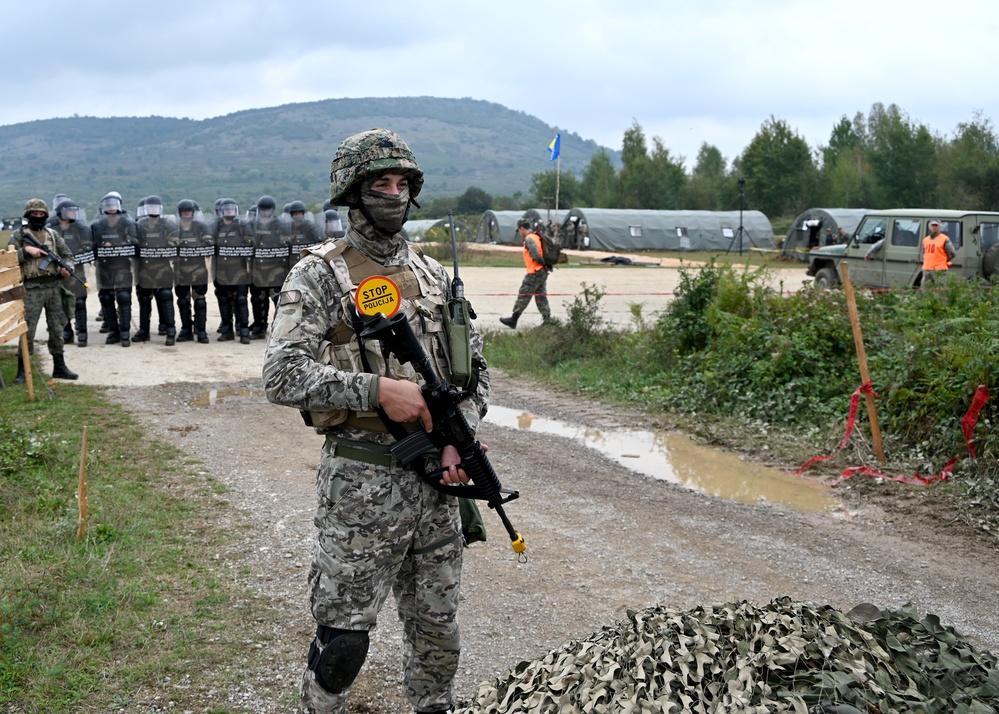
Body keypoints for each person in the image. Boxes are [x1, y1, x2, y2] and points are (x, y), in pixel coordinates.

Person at [262, 127, 489, 714]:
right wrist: (374, 390)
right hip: (362, 485)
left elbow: (477, 372)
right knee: (343, 637)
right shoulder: (318, 275)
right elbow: (281, 376)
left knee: (438, 633)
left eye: (402, 183)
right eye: (380, 183)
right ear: (352, 193)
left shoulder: (437, 276)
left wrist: (457, 440)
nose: (393, 194)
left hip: (438, 488)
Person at [10, 199, 79, 382]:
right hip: (31, 288)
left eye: (41, 214)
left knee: (57, 328)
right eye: (35, 214)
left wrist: (67, 268)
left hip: (54, 286)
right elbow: (8, 260)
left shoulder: (52, 234)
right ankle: (23, 370)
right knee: (28, 330)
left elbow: (67, 255)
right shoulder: (19, 235)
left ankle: (59, 365)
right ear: (28, 215)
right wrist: (26, 251)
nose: (38, 217)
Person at [91, 191, 138, 346]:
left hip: (122, 265)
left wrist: (117, 246)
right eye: (108, 206)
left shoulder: (127, 222)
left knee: (124, 297)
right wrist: (101, 246)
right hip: (104, 267)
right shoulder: (97, 224)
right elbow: (90, 244)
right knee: (105, 297)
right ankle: (113, 330)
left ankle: (125, 332)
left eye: (114, 205)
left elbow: (135, 242)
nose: (111, 208)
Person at [134, 196, 179, 345]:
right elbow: (132, 242)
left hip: (163, 266)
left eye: (156, 207)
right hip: (144, 268)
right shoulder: (139, 224)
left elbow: (176, 241)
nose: (153, 210)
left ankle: (170, 330)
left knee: (165, 296)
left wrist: (172, 248)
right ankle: (144, 331)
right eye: (150, 207)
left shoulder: (168, 224)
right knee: (144, 298)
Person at [51, 199, 94, 347]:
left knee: (80, 302)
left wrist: (80, 252)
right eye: (69, 210)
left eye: (73, 210)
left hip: (78, 271)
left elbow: (88, 245)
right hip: (59, 273)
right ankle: (67, 332)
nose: (72, 213)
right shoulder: (52, 230)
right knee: (61, 302)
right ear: (60, 213)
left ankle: (82, 333)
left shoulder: (80, 228)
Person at [247, 195, 290, 340]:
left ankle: (281, 330)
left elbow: (286, 245)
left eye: (268, 210)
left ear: (272, 210)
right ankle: (259, 327)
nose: (265, 213)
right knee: (258, 300)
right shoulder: (254, 225)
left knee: (277, 300)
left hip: (276, 270)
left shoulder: (280, 224)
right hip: (258, 270)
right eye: (263, 210)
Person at [212, 198, 253, 343]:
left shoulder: (243, 225)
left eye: (231, 209)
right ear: (221, 212)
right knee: (224, 300)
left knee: (241, 300)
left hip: (240, 270)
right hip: (221, 271)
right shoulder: (216, 227)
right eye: (226, 209)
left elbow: (251, 242)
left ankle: (244, 331)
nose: (229, 211)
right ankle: (227, 330)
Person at [174, 199, 214, 343]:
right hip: (180, 269)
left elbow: (209, 241)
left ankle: (201, 330)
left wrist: (203, 243)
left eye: (189, 211)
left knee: (200, 300)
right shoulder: (175, 228)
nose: (186, 213)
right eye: (184, 211)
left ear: (193, 212)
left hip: (198, 268)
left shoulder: (201, 226)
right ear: (180, 213)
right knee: (182, 300)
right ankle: (186, 329)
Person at [499, 218, 551, 328]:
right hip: (542, 271)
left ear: (522, 228)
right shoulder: (537, 236)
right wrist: (546, 265)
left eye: (519, 230)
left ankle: (514, 319)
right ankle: (547, 320)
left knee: (524, 294)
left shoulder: (529, 239)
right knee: (541, 296)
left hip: (535, 271)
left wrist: (542, 263)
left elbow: (535, 254)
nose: (520, 233)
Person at [921, 219, 956, 289]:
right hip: (926, 270)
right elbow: (924, 253)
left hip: (939, 271)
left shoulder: (944, 239)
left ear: (940, 227)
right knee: (924, 291)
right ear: (929, 227)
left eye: (936, 225)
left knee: (941, 292)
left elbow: (952, 253)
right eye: (933, 225)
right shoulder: (925, 240)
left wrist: (944, 260)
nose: (934, 227)